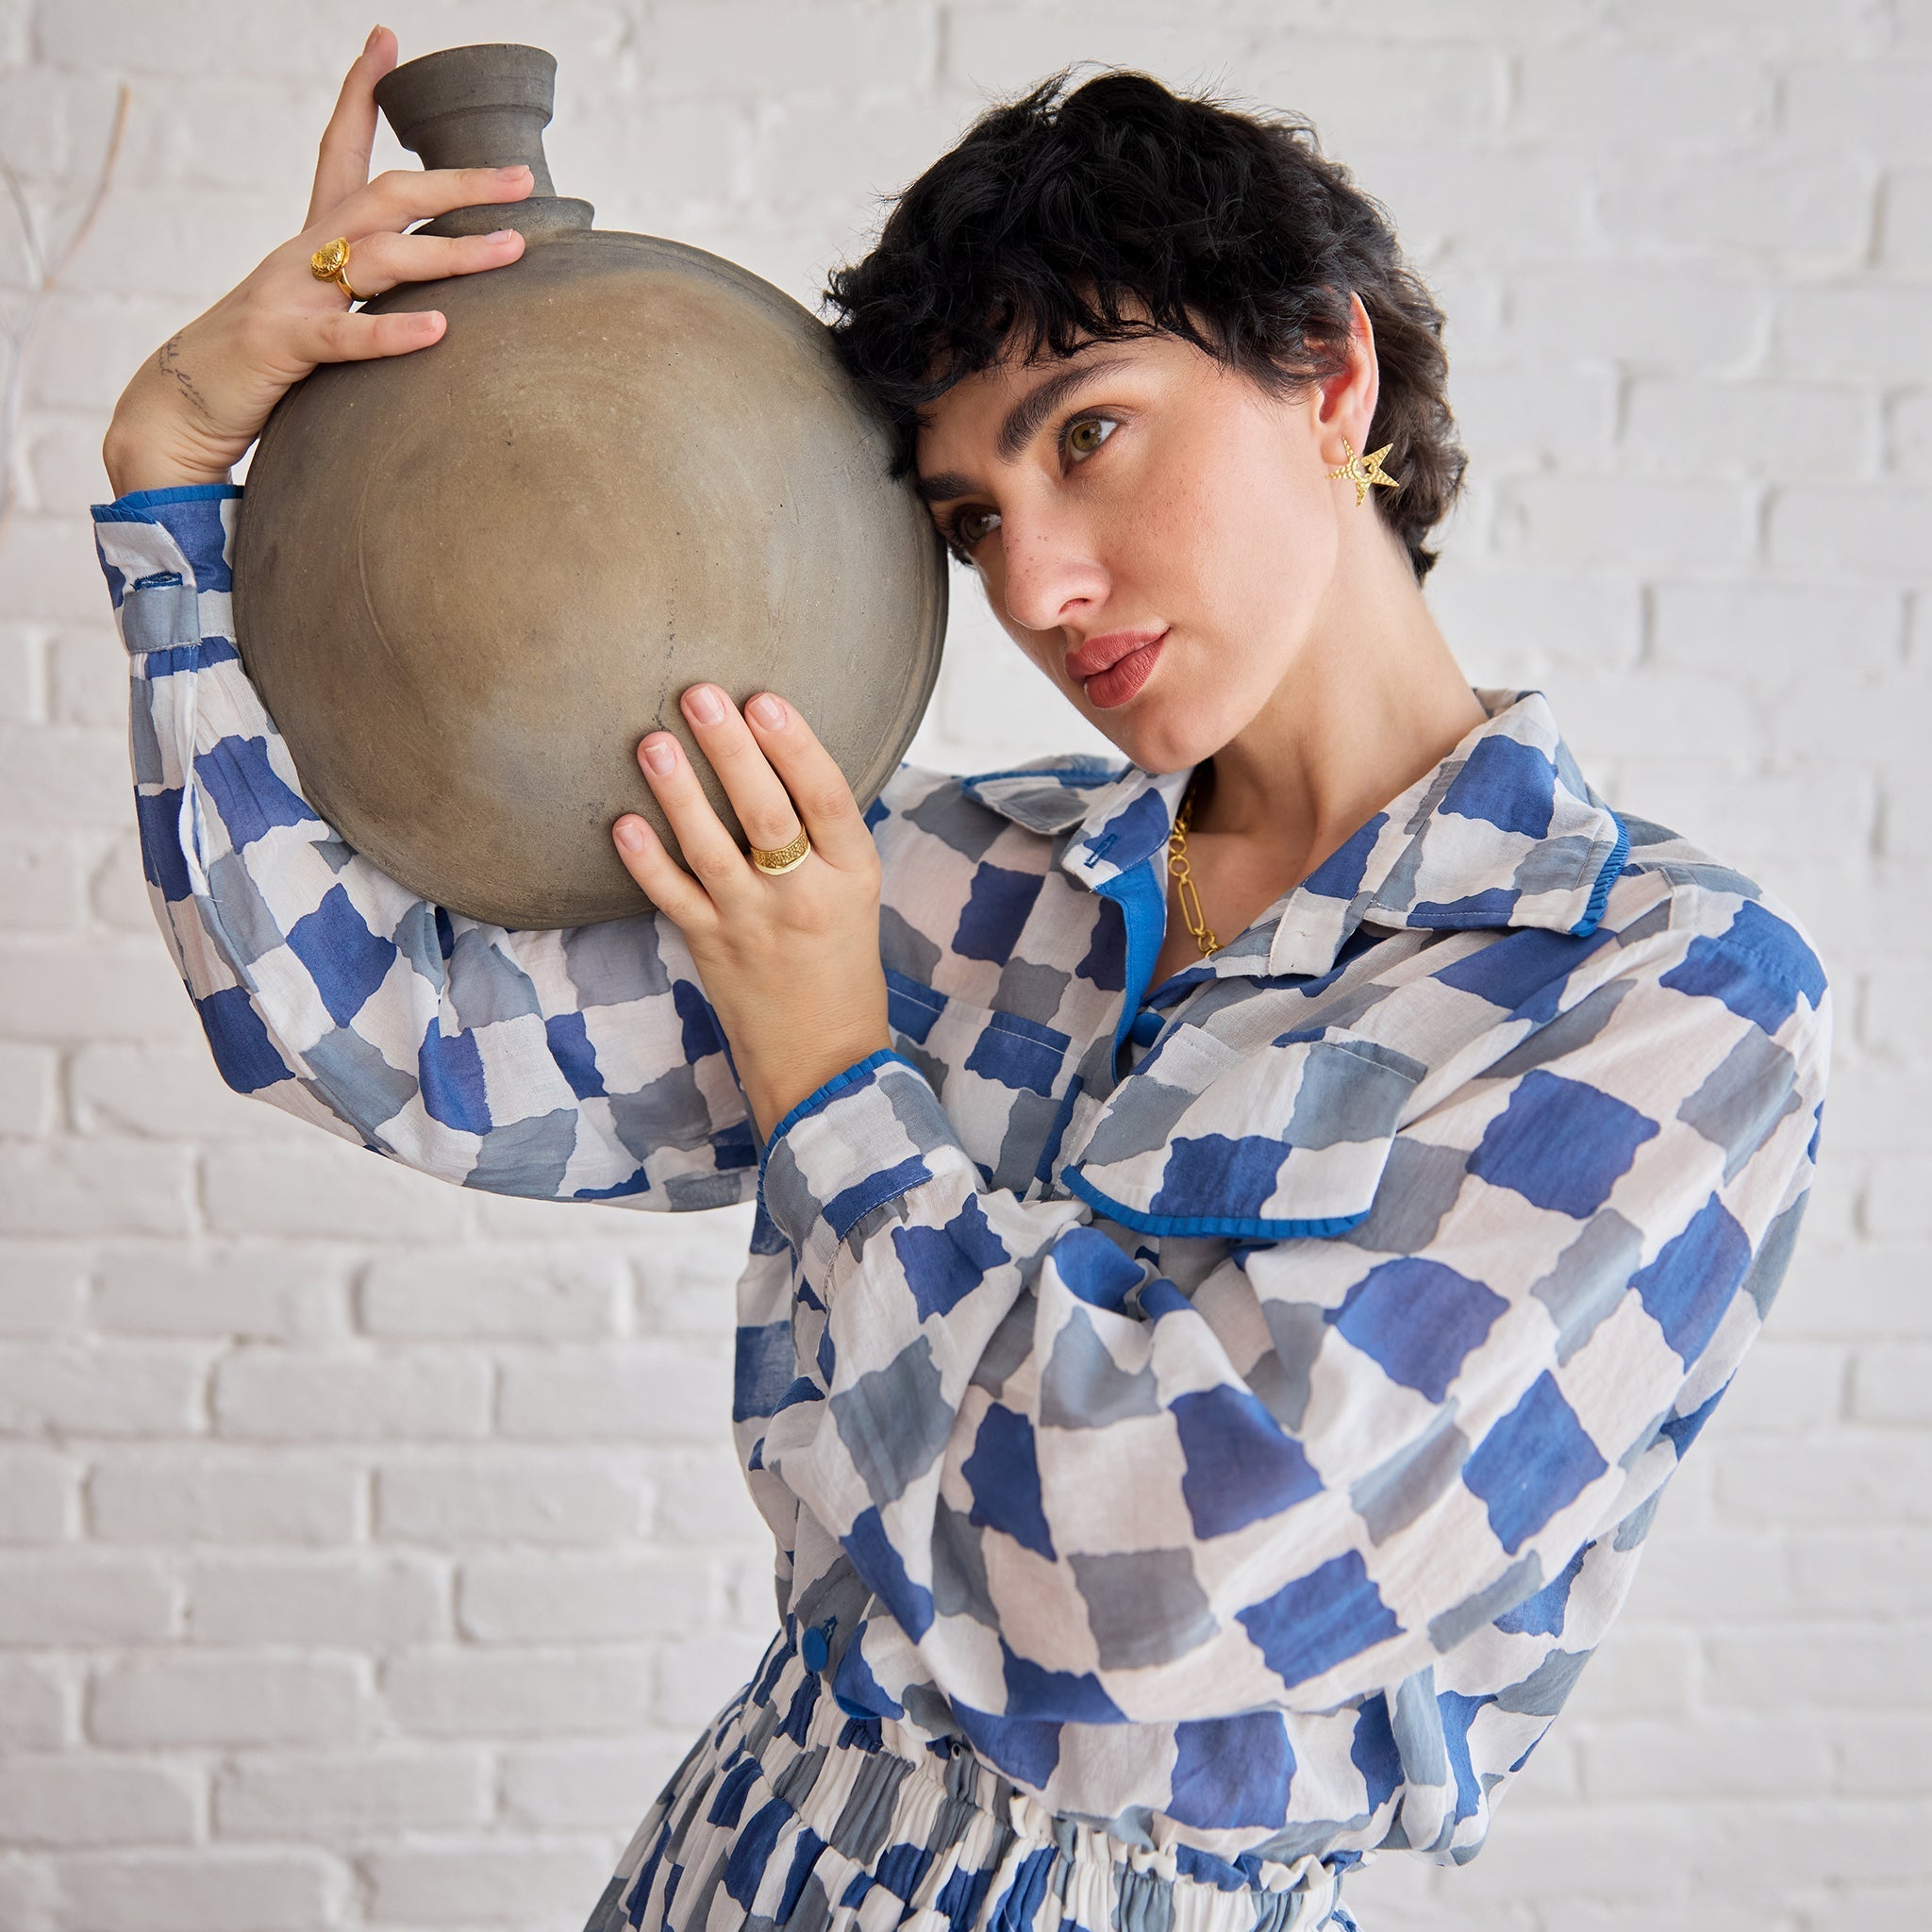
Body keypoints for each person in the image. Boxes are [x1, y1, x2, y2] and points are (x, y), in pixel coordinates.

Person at [92, 27, 1830, 1932]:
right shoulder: (965, 880)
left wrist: (832, 1077)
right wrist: (176, 475)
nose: (1039, 589)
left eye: (1086, 434)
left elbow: (1139, 1590)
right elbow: (380, 1028)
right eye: (972, 518)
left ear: (1331, 381)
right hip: (740, 1860)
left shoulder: (1660, 996)